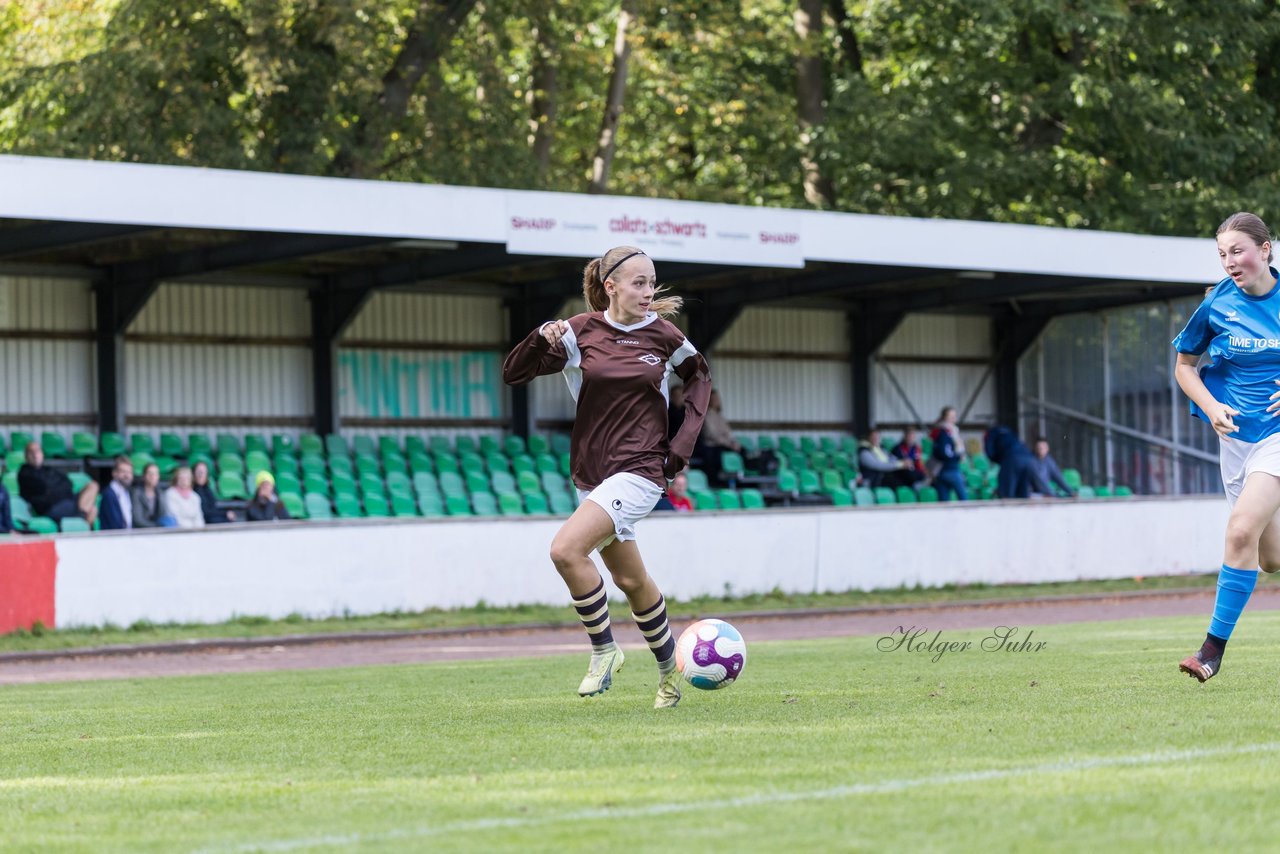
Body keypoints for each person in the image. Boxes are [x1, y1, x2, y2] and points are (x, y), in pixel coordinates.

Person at [502, 245, 711, 709]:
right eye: (638, 282)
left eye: (652, 281)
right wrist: (541, 337)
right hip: (592, 474)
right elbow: (514, 373)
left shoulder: (665, 335)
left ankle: (604, 651)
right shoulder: (581, 332)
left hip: (640, 470)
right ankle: (668, 676)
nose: (648, 291)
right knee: (632, 581)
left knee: (564, 550)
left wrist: (682, 444)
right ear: (610, 286)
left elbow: (700, 378)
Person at [1172, 211, 1280, 683]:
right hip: (1236, 440)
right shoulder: (1217, 303)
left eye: (1237, 250)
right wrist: (1212, 406)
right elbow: (1184, 366)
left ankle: (1210, 652)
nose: (1229, 261)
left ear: (1266, 250)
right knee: (1268, 558)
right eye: (1222, 255)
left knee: (1238, 532)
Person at [17, 441, 98, 525]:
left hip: (67, 501)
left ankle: (81, 515)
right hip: (51, 508)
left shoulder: (48, 470)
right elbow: (43, 487)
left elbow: (68, 483)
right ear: (26, 457)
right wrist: (57, 486)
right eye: (31, 452)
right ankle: (82, 521)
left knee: (93, 486)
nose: (35, 455)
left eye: (37, 451)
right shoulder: (24, 473)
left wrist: (54, 487)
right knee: (92, 510)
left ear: (42, 454)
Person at [984, 425, 1051, 499]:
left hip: (1011, 458)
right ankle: (1050, 495)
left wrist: (999, 460)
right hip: (1028, 456)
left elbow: (989, 451)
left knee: (1007, 494)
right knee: (1023, 493)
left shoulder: (990, 433)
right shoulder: (1010, 431)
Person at [928, 406, 967, 501]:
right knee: (964, 500)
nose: (954, 419)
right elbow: (943, 453)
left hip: (945, 470)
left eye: (955, 416)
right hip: (949, 469)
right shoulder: (943, 433)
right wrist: (958, 457)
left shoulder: (952, 432)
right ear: (945, 417)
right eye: (951, 416)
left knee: (944, 502)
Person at [98, 455, 134, 531]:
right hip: (113, 539)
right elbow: (116, 525)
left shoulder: (126, 493)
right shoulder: (109, 494)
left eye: (129, 472)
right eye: (123, 472)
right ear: (114, 473)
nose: (127, 475)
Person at [131, 462, 166, 528]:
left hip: (157, 532)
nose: (152, 476)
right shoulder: (137, 493)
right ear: (144, 476)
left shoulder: (160, 494)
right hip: (140, 532)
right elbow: (138, 520)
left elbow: (163, 515)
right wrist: (157, 526)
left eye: (155, 474)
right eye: (150, 473)